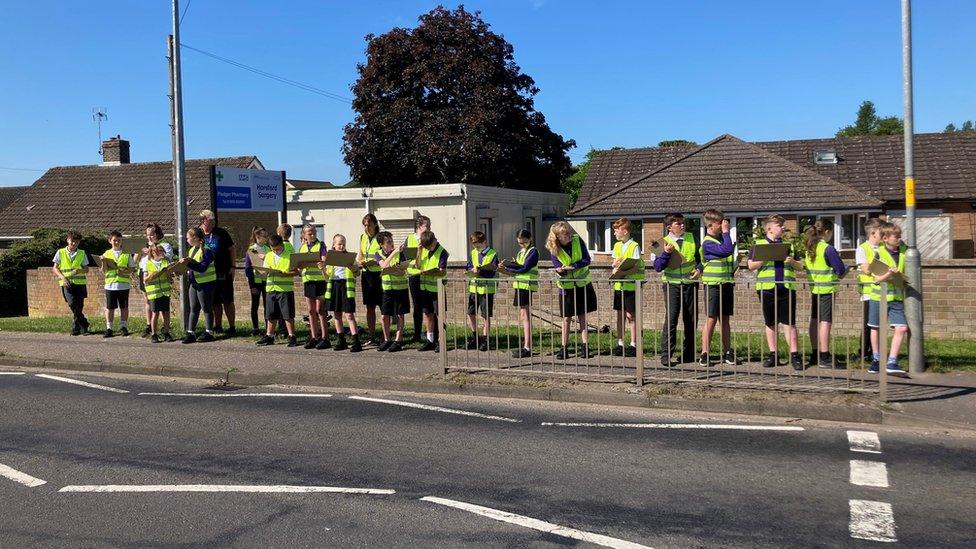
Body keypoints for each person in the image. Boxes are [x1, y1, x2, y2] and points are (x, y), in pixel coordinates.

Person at [747, 214, 802, 370]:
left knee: (789, 323)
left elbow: (800, 266)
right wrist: (765, 257)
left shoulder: (789, 245)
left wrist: (792, 262)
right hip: (767, 289)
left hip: (786, 288)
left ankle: (794, 355)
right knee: (770, 322)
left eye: (783, 225)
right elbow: (750, 265)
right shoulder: (759, 244)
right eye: (780, 225)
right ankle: (773, 354)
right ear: (770, 229)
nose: (783, 227)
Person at [653, 213, 701, 366]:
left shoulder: (692, 238)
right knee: (671, 319)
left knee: (691, 319)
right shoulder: (660, 243)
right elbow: (657, 267)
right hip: (671, 284)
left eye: (682, 222)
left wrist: (699, 269)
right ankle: (666, 355)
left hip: (690, 283)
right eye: (678, 223)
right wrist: (666, 253)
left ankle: (689, 354)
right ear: (669, 227)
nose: (682, 225)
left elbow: (702, 259)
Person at [863, 223, 909, 376]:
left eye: (900, 236)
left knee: (902, 327)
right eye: (896, 236)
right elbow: (875, 279)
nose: (899, 239)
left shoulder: (904, 251)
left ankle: (892, 361)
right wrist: (889, 275)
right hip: (878, 296)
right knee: (875, 327)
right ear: (885, 238)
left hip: (896, 297)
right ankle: (876, 360)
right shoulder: (879, 253)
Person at [547, 221, 596, 360]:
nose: (569, 235)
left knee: (582, 316)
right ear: (557, 237)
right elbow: (557, 267)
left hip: (582, 284)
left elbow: (587, 259)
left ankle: (585, 347)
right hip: (566, 288)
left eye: (568, 232)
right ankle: (564, 348)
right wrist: (561, 270)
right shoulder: (553, 249)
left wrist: (574, 266)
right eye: (565, 233)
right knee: (566, 318)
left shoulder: (577, 240)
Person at [804, 217, 848, 368]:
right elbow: (840, 270)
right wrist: (848, 269)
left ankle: (815, 353)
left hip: (815, 288)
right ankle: (825, 356)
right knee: (825, 322)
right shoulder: (828, 249)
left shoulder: (810, 247)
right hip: (827, 289)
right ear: (828, 232)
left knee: (815, 320)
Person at [699, 210, 738, 366]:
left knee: (725, 320)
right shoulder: (708, 243)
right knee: (711, 319)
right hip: (713, 285)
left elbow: (730, 256)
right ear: (710, 225)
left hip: (726, 283)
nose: (723, 225)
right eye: (720, 223)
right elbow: (726, 251)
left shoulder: (723, 240)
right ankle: (705, 353)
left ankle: (727, 351)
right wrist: (727, 233)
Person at [499, 229, 538, 359]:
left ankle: (527, 346)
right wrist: (509, 265)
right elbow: (519, 266)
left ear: (530, 239)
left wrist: (507, 268)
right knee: (523, 315)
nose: (522, 245)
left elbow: (525, 268)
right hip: (520, 285)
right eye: (520, 243)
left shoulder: (533, 251)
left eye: (524, 242)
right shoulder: (522, 252)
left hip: (526, 285)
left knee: (525, 315)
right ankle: (526, 344)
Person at [255, 234, 299, 347]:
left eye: (277, 248)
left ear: (282, 244)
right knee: (271, 314)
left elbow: (296, 272)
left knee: (287, 314)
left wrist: (283, 274)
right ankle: (269, 335)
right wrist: (261, 271)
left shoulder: (290, 255)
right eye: (273, 249)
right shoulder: (269, 255)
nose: (275, 251)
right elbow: (265, 270)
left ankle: (291, 336)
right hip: (271, 288)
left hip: (285, 289)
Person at [199, 210, 236, 336]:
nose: (213, 222)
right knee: (215, 302)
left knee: (228, 300)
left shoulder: (221, 233)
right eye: (210, 219)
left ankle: (232, 326)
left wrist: (233, 266)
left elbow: (231, 249)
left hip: (223, 270)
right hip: (208, 273)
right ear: (203, 220)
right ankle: (217, 325)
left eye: (214, 220)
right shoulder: (199, 234)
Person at [610, 218, 643, 357]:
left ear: (626, 231)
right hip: (619, 286)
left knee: (631, 316)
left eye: (617, 230)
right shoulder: (617, 246)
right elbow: (614, 263)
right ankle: (620, 343)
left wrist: (622, 270)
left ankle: (634, 344)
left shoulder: (634, 245)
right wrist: (615, 266)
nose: (615, 233)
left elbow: (635, 267)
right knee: (620, 316)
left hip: (631, 286)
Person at [179, 227, 217, 344]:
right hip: (194, 283)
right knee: (193, 308)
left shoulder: (207, 250)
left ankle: (209, 332)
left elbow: (202, 267)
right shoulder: (192, 250)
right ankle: (191, 333)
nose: (187, 240)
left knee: (206, 308)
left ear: (195, 237)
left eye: (188, 237)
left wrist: (188, 263)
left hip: (206, 283)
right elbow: (191, 265)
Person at [325, 234, 361, 352]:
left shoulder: (350, 257)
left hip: (346, 287)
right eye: (339, 244)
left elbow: (357, 273)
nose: (342, 246)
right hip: (334, 286)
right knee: (337, 314)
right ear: (334, 245)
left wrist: (352, 267)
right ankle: (341, 340)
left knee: (349, 315)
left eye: (343, 244)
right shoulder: (330, 259)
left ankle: (356, 341)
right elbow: (326, 277)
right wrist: (321, 268)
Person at [856, 218, 884, 363]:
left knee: (878, 324)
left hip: (882, 292)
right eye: (881, 231)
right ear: (873, 233)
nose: (884, 234)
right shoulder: (863, 248)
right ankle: (863, 352)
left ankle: (876, 351)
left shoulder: (883, 247)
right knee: (868, 324)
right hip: (868, 292)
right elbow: (866, 269)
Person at [376, 231, 409, 352]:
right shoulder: (378, 254)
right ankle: (387, 339)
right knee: (385, 315)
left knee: (400, 315)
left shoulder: (401, 254)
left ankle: (398, 340)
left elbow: (404, 270)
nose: (391, 244)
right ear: (381, 244)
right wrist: (394, 252)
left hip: (400, 288)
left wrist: (397, 269)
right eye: (388, 242)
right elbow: (384, 265)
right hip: (387, 290)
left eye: (392, 241)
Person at [415, 230, 449, 352]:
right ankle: (430, 341)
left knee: (440, 316)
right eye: (426, 247)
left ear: (434, 240)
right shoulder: (423, 250)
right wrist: (419, 251)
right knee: (428, 315)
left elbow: (442, 271)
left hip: (437, 289)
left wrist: (430, 272)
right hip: (425, 289)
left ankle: (442, 341)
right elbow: (417, 266)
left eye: (429, 246)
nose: (428, 248)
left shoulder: (442, 251)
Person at [52, 230, 91, 336]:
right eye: (72, 241)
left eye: (76, 242)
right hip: (66, 283)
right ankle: (84, 323)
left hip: (80, 283)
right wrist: (62, 278)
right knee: (72, 304)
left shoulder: (82, 253)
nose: (74, 243)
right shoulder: (60, 252)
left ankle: (77, 327)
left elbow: (86, 269)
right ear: (68, 240)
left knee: (79, 306)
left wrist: (80, 270)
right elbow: (55, 268)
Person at [139, 223, 174, 338]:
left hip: (162, 282)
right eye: (147, 235)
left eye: (151, 235)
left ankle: (165, 329)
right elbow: (135, 260)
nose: (149, 237)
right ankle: (150, 327)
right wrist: (141, 252)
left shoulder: (164, 245)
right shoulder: (143, 246)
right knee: (149, 304)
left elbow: (167, 258)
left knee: (164, 310)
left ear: (157, 234)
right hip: (148, 276)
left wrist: (152, 249)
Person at [299, 224, 330, 350]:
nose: (312, 235)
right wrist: (299, 266)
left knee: (320, 310)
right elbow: (299, 263)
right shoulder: (302, 247)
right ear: (304, 235)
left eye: (314, 232)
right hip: (308, 281)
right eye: (309, 233)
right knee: (311, 310)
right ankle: (314, 336)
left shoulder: (321, 245)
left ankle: (325, 337)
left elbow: (324, 261)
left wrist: (319, 264)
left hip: (320, 281)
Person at [465, 231, 498, 352]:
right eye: (474, 245)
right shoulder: (472, 253)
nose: (476, 247)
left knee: (485, 315)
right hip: (474, 288)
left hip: (486, 289)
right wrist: (470, 270)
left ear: (484, 242)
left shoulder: (492, 253)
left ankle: (485, 339)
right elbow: (468, 265)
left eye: (478, 245)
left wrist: (480, 271)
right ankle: (475, 337)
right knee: (470, 312)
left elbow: (493, 270)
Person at [100, 230, 135, 338]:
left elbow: (132, 268)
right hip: (110, 285)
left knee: (124, 307)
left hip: (123, 285)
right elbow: (104, 271)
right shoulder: (106, 253)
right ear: (110, 241)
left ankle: (123, 327)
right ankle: (109, 328)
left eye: (119, 240)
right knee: (110, 308)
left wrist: (124, 271)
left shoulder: (126, 253)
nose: (117, 242)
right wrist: (103, 262)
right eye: (115, 240)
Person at [404, 215, 431, 343]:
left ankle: (430, 333)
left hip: (425, 274)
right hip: (414, 276)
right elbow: (403, 256)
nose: (429, 228)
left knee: (428, 306)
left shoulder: (429, 239)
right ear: (419, 226)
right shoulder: (409, 239)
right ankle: (417, 333)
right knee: (417, 306)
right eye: (427, 226)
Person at [358, 213, 383, 346]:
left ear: (374, 224)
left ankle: (386, 336)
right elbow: (361, 254)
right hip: (366, 274)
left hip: (378, 274)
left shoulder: (380, 237)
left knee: (383, 306)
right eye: (364, 225)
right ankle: (371, 336)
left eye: (368, 224)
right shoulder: (363, 237)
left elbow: (385, 255)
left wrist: (373, 262)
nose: (366, 227)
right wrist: (361, 262)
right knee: (369, 306)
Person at [142, 244, 174, 343]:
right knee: (155, 314)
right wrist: (153, 274)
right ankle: (154, 334)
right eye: (158, 251)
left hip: (164, 292)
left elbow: (170, 279)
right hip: (154, 293)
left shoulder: (165, 262)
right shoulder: (148, 263)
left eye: (161, 251)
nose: (160, 253)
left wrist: (169, 274)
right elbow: (145, 280)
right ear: (152, 253)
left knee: (166, 313)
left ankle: (166, 332)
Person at [244, 226, 269, 336]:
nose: (266, 238)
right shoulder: (252, 249)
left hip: (267, 281)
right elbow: (248, 268)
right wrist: (252, 285)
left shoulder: (268, 249)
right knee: (255, 305)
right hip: (256, 281)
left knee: (267, 305)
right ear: (257, 237)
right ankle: (255, 328)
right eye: (264, 236)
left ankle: (268, 328)